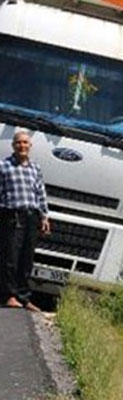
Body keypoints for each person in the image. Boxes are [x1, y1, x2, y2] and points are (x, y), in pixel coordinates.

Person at [0, 129, 51, 311]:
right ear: (13, 146)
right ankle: (9, 296)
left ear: (30, 146)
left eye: (25, 143)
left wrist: (44, 216)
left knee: (26, 259)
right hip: (12, 216)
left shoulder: (34, 168)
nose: (22, 145)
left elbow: (40, 193)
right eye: (18, 143)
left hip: (32, 217)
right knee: (10, 258)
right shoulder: (4, 166)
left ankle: (24, 297)